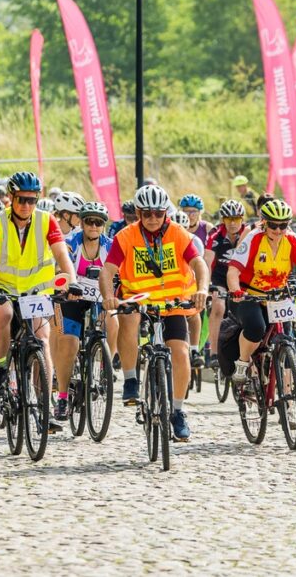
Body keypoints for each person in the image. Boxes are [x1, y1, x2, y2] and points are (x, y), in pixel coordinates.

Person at [100, 184, 209, 442]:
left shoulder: (178, 233)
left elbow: (198, 263)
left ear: (165, 213)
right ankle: (130, 380)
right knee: (128, 319)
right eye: (146, 213)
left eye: (158, 213)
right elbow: (107, 271)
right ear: (138, 213)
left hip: (172, 302)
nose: (152, 218)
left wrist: (202, 289)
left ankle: (178, 411)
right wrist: (108, 297)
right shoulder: (125, 236)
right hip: (138, 299)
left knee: (180, 352)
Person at [0, 171, 78, 434]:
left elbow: (61, 253)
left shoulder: (47, 221)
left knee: (42, 339)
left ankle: (45, 405)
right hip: (2, 286)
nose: (26, 206)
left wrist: (72, 281)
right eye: (21, 199)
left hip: (35, 287)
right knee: (4, 315)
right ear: (11, 197)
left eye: (32, 200)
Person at [227, 199, 296, 383]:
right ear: (264, 222)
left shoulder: (292, 239)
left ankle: (288, 393)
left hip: (279, 297)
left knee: (289, 339)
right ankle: (243, 362)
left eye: (283, 225)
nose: (278, 230)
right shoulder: (253, 238)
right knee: (256, 329)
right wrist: (236, 290)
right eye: (273, 225)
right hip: (250, 295)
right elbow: (233, 271)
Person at [53, 201, 118, 421]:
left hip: (99, 295)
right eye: (89, 221)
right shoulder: (70, 242)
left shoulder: (109, 246)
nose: (93, 226)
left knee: (113, 321)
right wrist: (65, 286)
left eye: (98, 223)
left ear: (103, 226)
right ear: (81, 222)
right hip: (74, 296)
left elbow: (120, 275)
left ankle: (107, 365)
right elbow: (59, 269)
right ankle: (62, 396)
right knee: (69, 343)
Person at [204, 199, 250, 367]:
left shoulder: (248, 233)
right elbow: (207, 261)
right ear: (223, 220)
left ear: (242, 219)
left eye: (237, 219)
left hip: (240, 278)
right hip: (220, 278)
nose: (232, 223)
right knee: (218, 306)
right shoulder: (215, 235)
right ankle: (214, 353)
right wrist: (207, 285)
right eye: (229, 219)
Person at [172, 210, 207, 367]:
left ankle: (194, 350)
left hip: (188, 282)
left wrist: (201, 289)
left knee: (194, 312)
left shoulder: (195, 241)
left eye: (184, 228)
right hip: (170, 285)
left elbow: (198, 266)